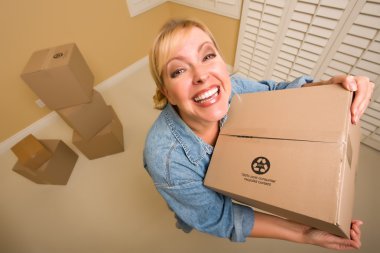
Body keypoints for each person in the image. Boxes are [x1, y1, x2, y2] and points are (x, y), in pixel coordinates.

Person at [143, 18, 374, 250]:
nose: (201, 75)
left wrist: (328, 87)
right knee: (191, 214)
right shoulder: (167, 161)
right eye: (179, 70)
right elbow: (218, 217)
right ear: (168, 94)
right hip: (188, 193)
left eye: (207, 56)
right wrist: (302, 233)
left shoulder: (237, 89)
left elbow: (276, 93)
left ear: (223, 64)